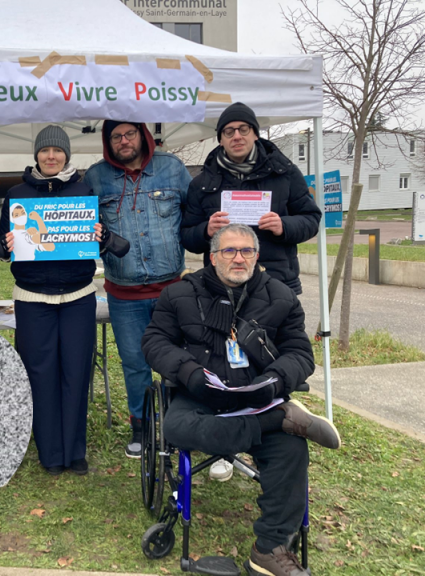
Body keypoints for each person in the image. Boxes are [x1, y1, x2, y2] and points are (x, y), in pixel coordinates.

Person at [141, 223, 340, 576]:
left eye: (246, 251)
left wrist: (274, 380)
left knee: (291, 450)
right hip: (201, 395)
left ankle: (269, 550)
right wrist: (189, 372)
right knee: (176, 428)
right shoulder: (178, 294)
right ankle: (279, 420)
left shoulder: (281, 297)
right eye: (229, 251)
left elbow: (299, 353)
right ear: (213, 257)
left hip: (258, 395)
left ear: (257, 256)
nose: (238, 258)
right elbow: (155, 342)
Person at [180, 102, 321, 481]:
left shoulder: (284, 172)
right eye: (229, 131)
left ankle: (268, 438)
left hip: (274, 286)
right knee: (225, 364)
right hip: (220, 288)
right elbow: (187, 235)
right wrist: (206, 230)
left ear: (256, 134)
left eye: (244, 129)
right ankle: (225, 445)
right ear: (220, 138)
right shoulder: (203, 182)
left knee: (266, 363)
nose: (237, 136)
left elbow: (312, 219)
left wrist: (284, 225)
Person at [0, 125, 103, 475]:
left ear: (66, 155)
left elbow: (100, 239)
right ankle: (51, 453)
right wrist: (6, 245)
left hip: (78, 296)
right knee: (39, 375)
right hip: (32, 298)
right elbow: (3, 245)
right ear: (36, 155)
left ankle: (74, 451)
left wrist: (102, 235)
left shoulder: (85, 191)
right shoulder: (17, 194)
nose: (51, 156)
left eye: (57, 151)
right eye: (44, 151)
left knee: (76, 373)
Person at [84, 121, 191, 458]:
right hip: (123, 292)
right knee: (134, 363)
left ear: (142, 135)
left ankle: (178, 426)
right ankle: (141, 427)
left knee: (176, 362)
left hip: (171, 291)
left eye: (129, 134)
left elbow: (194, 217)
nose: (124, 141)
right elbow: (84, 230)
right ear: (108, 142)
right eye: (116, 136)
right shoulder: (96, 178)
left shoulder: (172, 168)